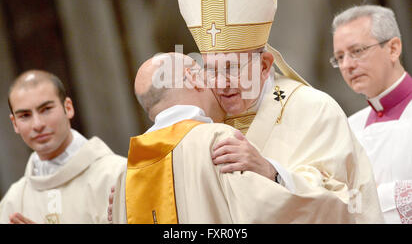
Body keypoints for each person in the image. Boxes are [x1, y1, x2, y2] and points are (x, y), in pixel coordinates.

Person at [177, 0, 383, 223]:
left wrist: (270, 172)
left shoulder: (314, 111)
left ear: (264, 65)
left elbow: (343, 204)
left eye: (233, 68)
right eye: (212, 70)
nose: (221, 83)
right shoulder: (200, 127)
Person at [111, 52, 365, 223]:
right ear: (192, 78)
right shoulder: (215, 139)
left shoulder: (126, 172)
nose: (219, 84)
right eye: (208, 71)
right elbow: (270, 213)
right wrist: (273, 173)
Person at [0, 70, 126, 224]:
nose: (37, 124)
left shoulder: (116, 174)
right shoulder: (13, 201)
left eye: (46, 109)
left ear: (68, 108)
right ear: (14, 124)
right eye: (25, 115)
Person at [331, 4, 412, 224]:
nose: (347, 65)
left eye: (357, 51)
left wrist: (374, 197)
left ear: (393, 48)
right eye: (339, 57)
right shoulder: (348, 127)